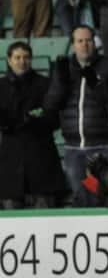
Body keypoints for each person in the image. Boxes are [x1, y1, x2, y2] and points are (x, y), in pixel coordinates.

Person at [43, 25, 108, 207]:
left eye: (88, 40)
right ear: (73, 44)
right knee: (81, 199)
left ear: (94, 43)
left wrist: (94, 82)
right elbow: (50, 105)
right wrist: (60, 81)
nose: (84, 45)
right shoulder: (64, 68)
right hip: (74, 148)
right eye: (80, 41)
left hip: (104, 145)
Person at [0, 41, 68, 209]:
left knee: (46, 214)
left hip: (41, 156)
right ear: (9, 60)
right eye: (17, 57)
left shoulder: (44, 84)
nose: (22, 61)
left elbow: (53, 117)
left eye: (26, 57)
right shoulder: (1, 86)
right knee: (11, 218)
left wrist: (32, 120)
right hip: (11, 158)